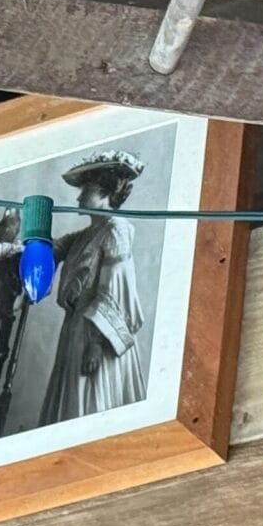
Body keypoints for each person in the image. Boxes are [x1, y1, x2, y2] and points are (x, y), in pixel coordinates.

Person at [40, 150, 151, 425]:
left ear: (105, 192)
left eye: (86, 190)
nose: (79, 198)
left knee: (92, 405)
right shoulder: (85, 235)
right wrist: (10, 249)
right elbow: (49, 248)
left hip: (97, 336)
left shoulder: (116, 229)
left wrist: (97, 345)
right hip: (75, 331)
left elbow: (116, 289)